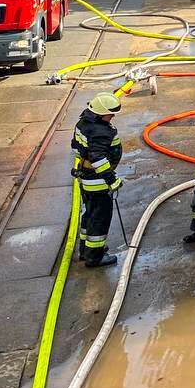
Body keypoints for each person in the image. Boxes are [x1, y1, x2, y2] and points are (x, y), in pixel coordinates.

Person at [71, 92, 125, 268]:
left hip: (86, 179)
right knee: (100, 218)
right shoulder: (100, 132)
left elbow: (76, 148)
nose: (113, 117)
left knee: (90, 214)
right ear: (100, 113)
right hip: (98, 183)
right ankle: (95, 257)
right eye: (110, 114)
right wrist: (111, 180)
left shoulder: (83, 124)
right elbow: (98, 159)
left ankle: (85, 250)